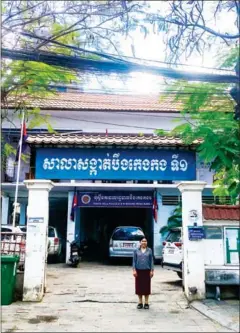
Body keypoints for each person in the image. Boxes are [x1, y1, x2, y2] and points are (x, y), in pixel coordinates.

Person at [132, 237, 154, 309]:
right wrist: (134, 270)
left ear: (147, 242)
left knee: (146, 287)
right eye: (142, 241)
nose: (144, 242)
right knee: (139, 287)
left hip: (147, 271)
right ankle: (140, 302)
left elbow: (151, 261)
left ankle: (146, 303)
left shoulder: (149, 250)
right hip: (138, 271)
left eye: (145, 241)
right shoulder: (136, 250)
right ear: (140, 242)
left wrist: (152, 270)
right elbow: (134, 261)